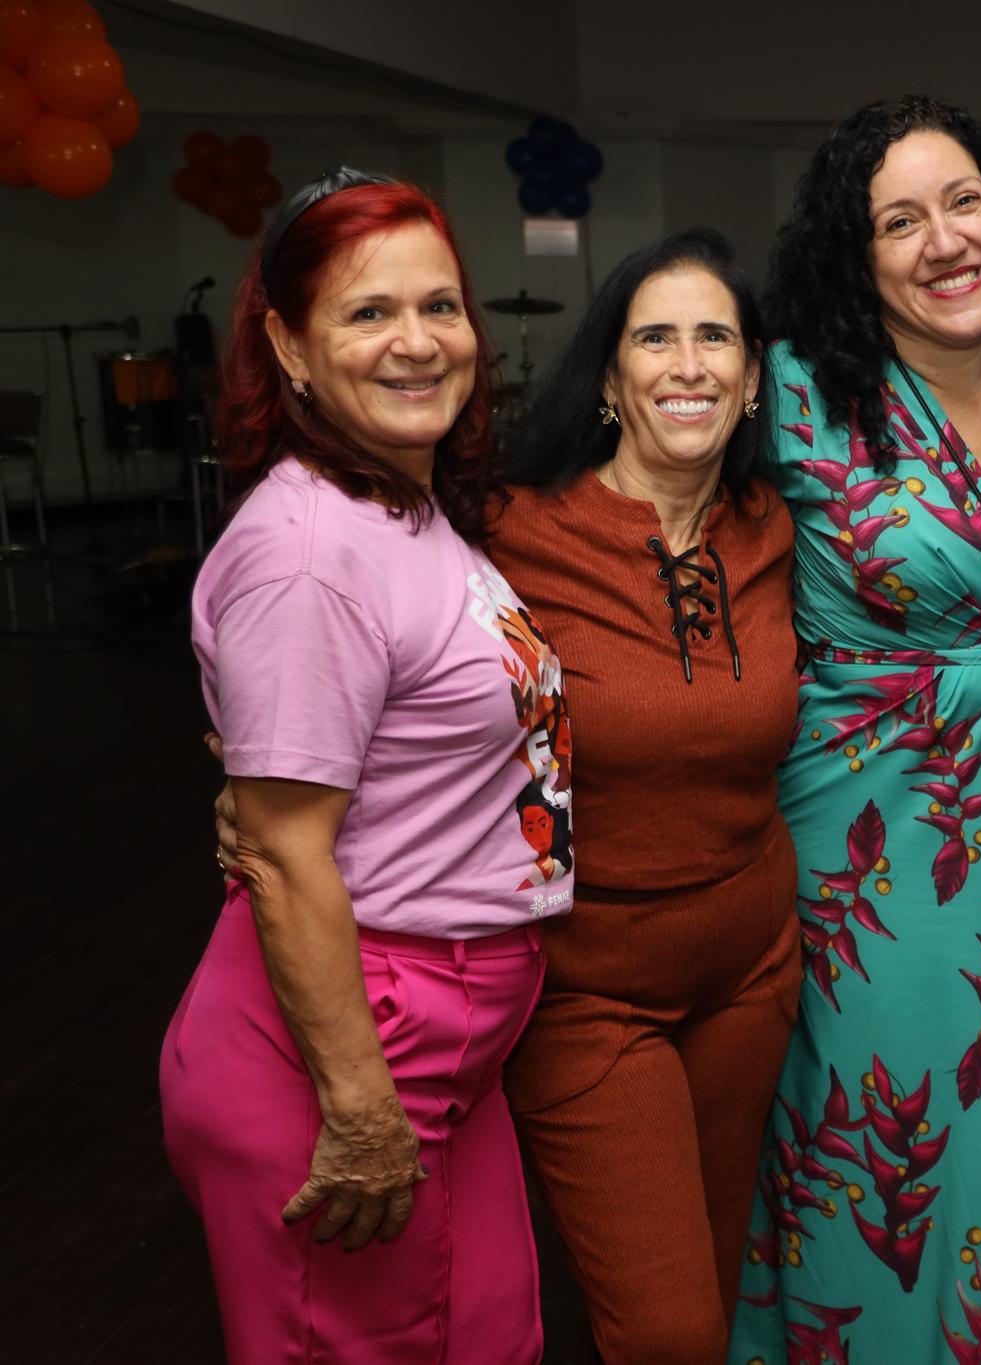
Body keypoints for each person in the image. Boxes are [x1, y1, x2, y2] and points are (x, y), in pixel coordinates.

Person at [725, 96, 981, 1364]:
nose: (942, 241)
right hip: (869, 848)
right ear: (855, 254)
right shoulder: (788, 389)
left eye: (962, 202)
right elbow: (646, 531)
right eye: (897, 221)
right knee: (882, 1136)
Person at [163, 170, 569, 1363]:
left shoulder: (402, 505)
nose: (418, 342)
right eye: (368, 313)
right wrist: (356, 1108)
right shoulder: (308, 554)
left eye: (438, 306)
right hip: (348, 1054)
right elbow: (288, 855)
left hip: (447, 1049)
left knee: (491, 1338)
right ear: (288, 346)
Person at [492, 229, 801, 1363]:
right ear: (610, 377)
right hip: (586, 991)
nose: (687, 364)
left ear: (753, 376)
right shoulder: (511, 531)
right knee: (665, 1328)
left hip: (751, 972)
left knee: (713, 1287)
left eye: (715, 336)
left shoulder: (771, 529)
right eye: (654, 337)